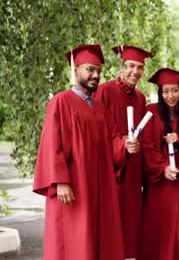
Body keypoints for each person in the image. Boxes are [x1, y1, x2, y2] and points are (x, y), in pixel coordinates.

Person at [33, 44, 137, 260]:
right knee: (74, 242)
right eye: (90, 69)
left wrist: (124, 146)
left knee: (97, 240)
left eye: (98, 71)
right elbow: (52, 145)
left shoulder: (99, 107)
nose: (95, 75)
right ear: (76, 69)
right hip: (73, 187)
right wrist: (60, 181)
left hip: (99, 188)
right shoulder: (61, 101)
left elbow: (112, 142)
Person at [93, 45, 152, 260]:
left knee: (130, 218)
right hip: (111, 167)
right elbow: (98, 131)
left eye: (139, 67)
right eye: (130, 66)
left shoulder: (140, 98)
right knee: (111, 218)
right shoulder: (105, 91)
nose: (134, 72)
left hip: (133, 169)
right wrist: (120, 143)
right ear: (122, 66)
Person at [139, 68, 179, 260]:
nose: (170, 96)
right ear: (160, 92)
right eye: (165, 91)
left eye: (174, 90)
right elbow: (147, 146)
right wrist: (163, 167)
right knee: (159, 229)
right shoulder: (151, 112)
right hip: (160, 182)